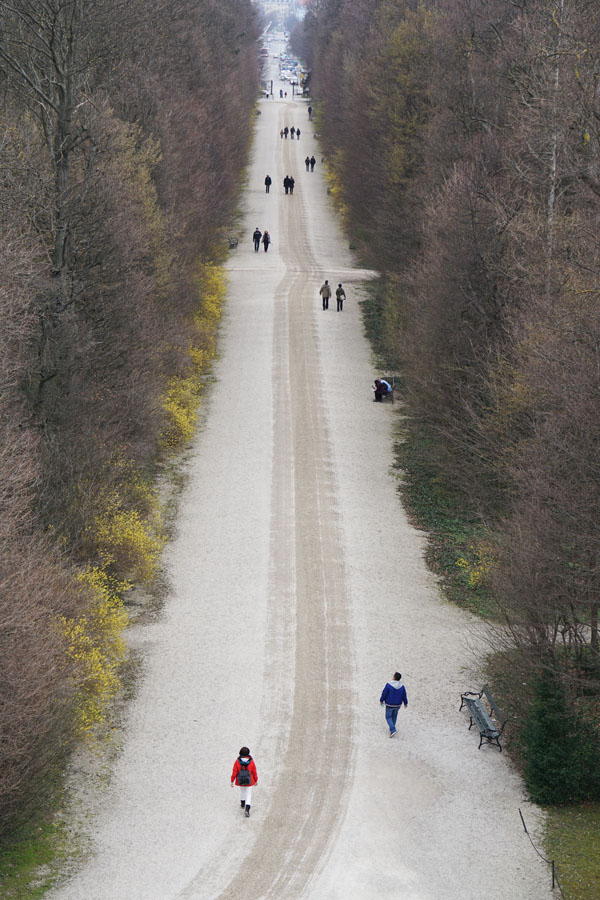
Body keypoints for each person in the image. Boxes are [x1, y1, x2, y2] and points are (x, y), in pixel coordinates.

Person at [230, 746, 258, 817]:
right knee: (248, 794)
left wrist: (232, 781)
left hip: (240, 780)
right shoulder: (251, 761)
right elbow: (254, 771)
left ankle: (242, 803)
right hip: (250, 781)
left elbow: (234, 772)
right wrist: (256, 780)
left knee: (242, 791)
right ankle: (247, 809)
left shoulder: (237, 761)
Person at [380, 672, 408, 737]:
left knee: (388, 717)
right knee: (394, 716)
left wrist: (381, 700)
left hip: (390, 704)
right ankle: (392, 730)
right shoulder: (402, 686)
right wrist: (405, 703)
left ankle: (393, 729)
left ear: (394, 677)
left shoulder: (388, 685)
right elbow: (404, 695)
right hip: (398, 705)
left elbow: (384, 693)